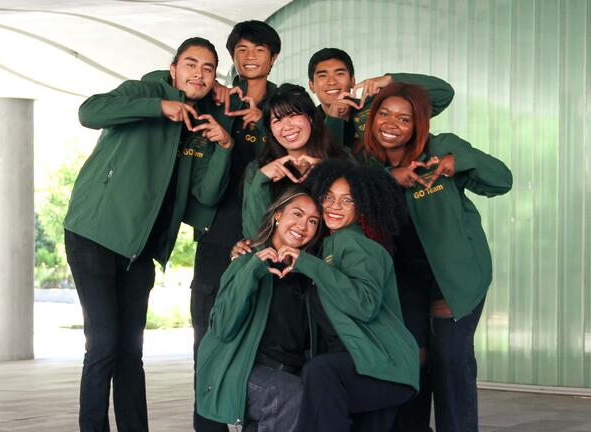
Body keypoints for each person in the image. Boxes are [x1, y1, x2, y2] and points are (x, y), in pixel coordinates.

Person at [63, 37, 234, 432]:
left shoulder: (203, 123)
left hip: (142, 250)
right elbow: (89, 112)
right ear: (173, 68)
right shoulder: (143, 91)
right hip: (95, 234)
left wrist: (224, 145)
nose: (199, 74)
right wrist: (159, 106)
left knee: (130, 352)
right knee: (104, 344)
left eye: (208, 69)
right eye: (191, 64)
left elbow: (206, 194)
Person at [141, 21, 281, 432]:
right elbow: (162, 83)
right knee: (209, 341)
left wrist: (261, 122)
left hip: (268, 235)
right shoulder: (213, 101)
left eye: (259, 50)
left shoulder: (287, 104)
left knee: (268, 340)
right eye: (241, 49)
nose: (250, 57)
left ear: (273, 58)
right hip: (217, 233)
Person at [357, 83, 513, 432]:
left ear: (418, 125)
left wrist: (460, 163)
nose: (391, 123)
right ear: (371, 119)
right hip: (404, 278)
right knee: (412, 358)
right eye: (383, 113)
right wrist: (390, 179)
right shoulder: (364, 162)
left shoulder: (441, 147)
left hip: (454, 272)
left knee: (450, 357)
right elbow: (350, 194)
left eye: (404, 117)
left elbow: (502, 180)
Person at [291, 159, 418, 431]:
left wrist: (308, 264)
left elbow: (365, 305)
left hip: (382, 367)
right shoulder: (329, 245)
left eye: (347, 201)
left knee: (320, 371)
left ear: (363, 206)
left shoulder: (357, 244)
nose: (335, 206)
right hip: (361, 365)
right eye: (329, 197)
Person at [196, 187, 322, 431]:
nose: (303, 225)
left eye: (312, 221)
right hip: (244, 371)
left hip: (290, 371)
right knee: (289, 393)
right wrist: (253, 270)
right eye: (296, 214)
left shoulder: (308, 272)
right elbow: (222, 327)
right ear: (277, 215)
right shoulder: (246, 261)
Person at [242, 83, 345, 239]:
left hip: (330, 260)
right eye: (277, 120)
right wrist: (261, 181)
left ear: (310, 118)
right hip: (278, 261)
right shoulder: (258, 169)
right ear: (270, 130)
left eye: (293, 115)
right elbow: (254, 236)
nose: (287, 126)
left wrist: (329, 172)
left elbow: (361, 217)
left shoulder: (338, 159)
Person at [306, 47, 454, 150]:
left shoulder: (380, 105)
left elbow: (443, 93)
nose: (332, 82)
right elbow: (329, 163)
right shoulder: (306, 126)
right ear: (311, 86)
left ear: (352, 80)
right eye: (323, 75)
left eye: (339, 74)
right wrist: (333, 120)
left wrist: (390, 80)